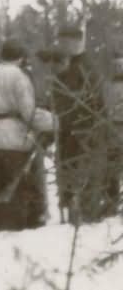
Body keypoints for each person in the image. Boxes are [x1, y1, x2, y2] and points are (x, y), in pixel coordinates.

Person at [0, 40, 56, 231]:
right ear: (21, 58)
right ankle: (15, 226)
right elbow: (29, 113)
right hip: (15, 140)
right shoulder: (19, 77)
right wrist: (53, 122)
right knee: (16, 188)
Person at [52, 25, 106, 222]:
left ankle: (86, 216)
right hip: (70, 129)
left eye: (64, 42)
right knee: (69, 173)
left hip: (85, 130)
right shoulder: (68, 66)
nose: (61, 46)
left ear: (75, 42)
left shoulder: (86, 66)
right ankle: (74, 213)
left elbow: (96, 101)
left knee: (83, 175)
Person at [102, 51, 123, 214]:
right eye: (116, 65)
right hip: (112, 130)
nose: (119, 68)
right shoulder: (106, 86)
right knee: (112, 169)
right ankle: (112, 203)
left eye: (121, 65)